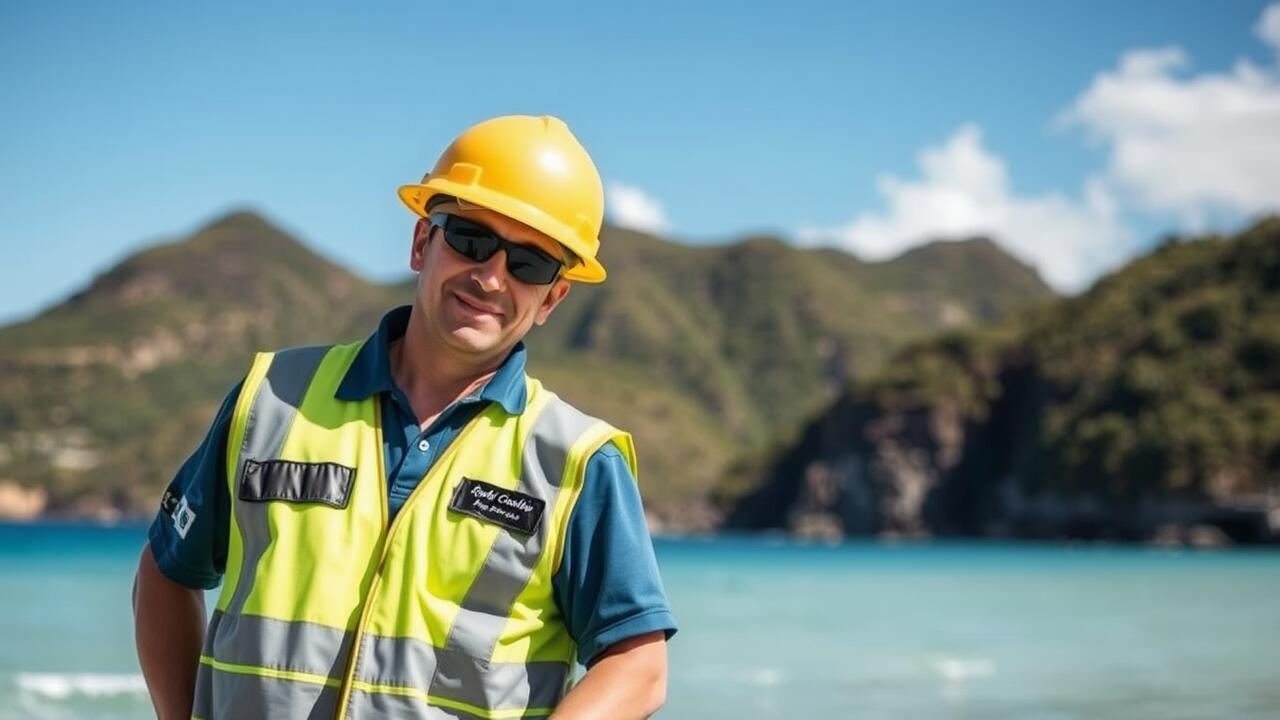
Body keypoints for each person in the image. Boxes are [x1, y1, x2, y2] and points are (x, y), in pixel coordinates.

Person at [133, 115, 676, 719]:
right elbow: (166, 570)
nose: (492, 276)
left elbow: (639, 666)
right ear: (423, 242)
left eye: (530, 263)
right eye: (470, 238)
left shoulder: (575, 462)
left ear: (552, 297)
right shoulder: (272, 398)